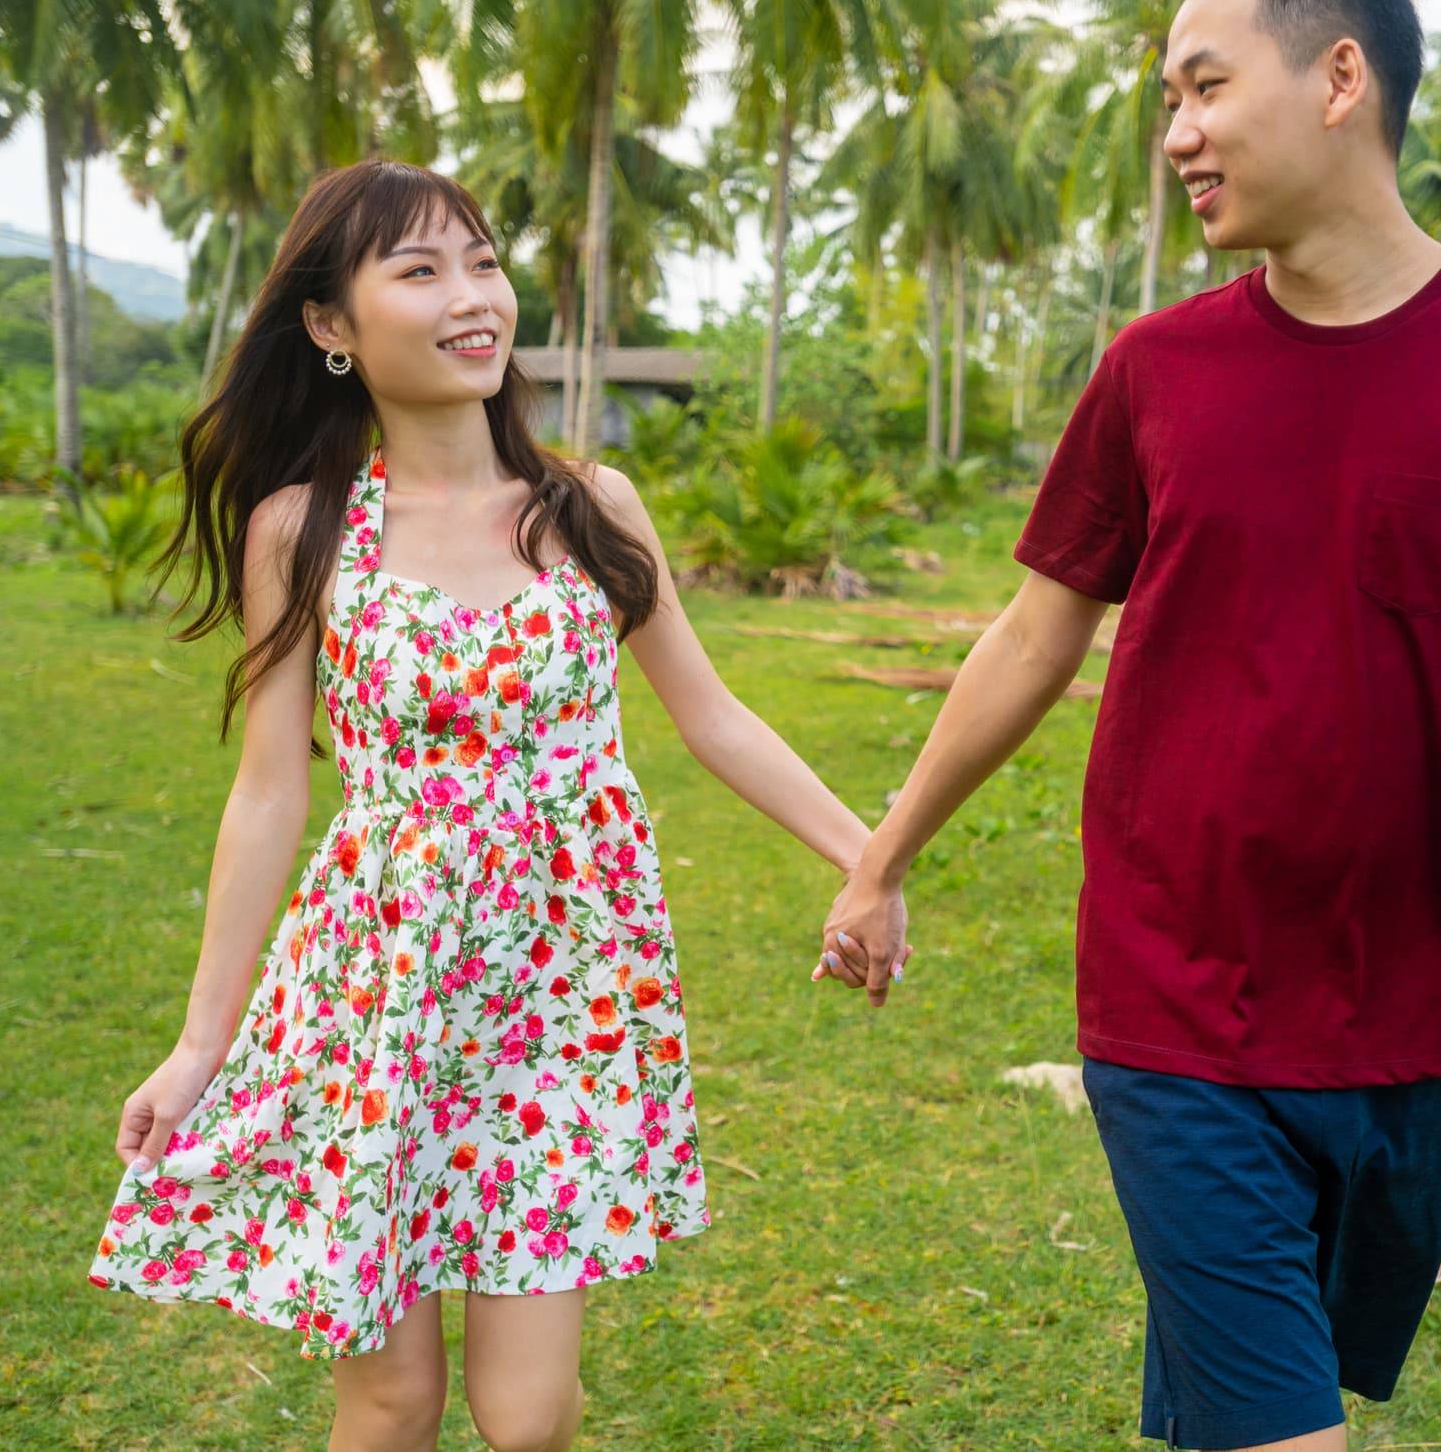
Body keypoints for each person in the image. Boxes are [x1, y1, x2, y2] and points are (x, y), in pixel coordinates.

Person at [813, 0, 1441, 1452]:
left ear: (1339, 78)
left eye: (1206, 88)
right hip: (1176, 1003)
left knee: (1261, 1403)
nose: (1177, 136)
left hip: (1408, 1017)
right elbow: (1035, 633)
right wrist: (882, 858)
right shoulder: (1156, 372)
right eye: (1169, 100)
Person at [86, 158, 902, 1452]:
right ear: (331, 323)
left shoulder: (590, 506)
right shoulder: (303, 529)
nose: (472, 298)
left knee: (527, 1418)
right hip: (379, 994)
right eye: (420, 271)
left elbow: (712, 716)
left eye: (483, 263)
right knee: (392, 1398)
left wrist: (872, 859)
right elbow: (271, 790)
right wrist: (200, 1044)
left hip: (560, 999)